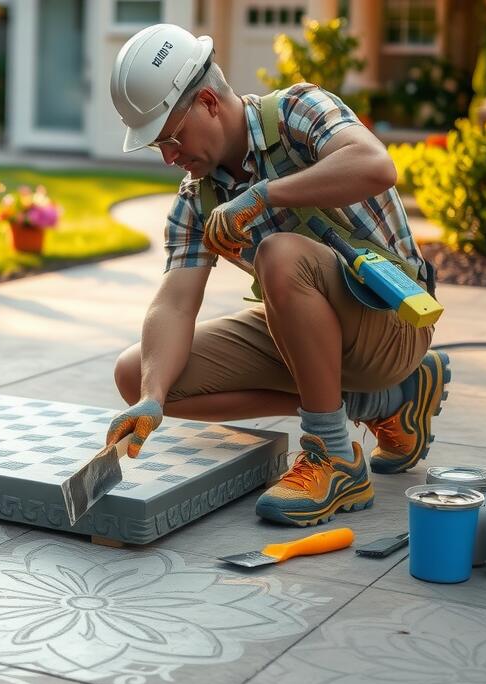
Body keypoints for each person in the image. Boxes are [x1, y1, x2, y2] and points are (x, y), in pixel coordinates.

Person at [105, 23, 448, 527]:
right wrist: (154, 398)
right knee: (137, 372)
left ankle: (335, 457)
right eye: (158, 146)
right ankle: (383, 402)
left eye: (171, 138)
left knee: (279, 254)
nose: (169, 157)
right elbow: (174, 303)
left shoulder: (297, 112)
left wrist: (265, 194)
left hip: (392, 321)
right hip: (310, 329)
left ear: (207, 102)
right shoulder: (195, 200)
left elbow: (376, 165)